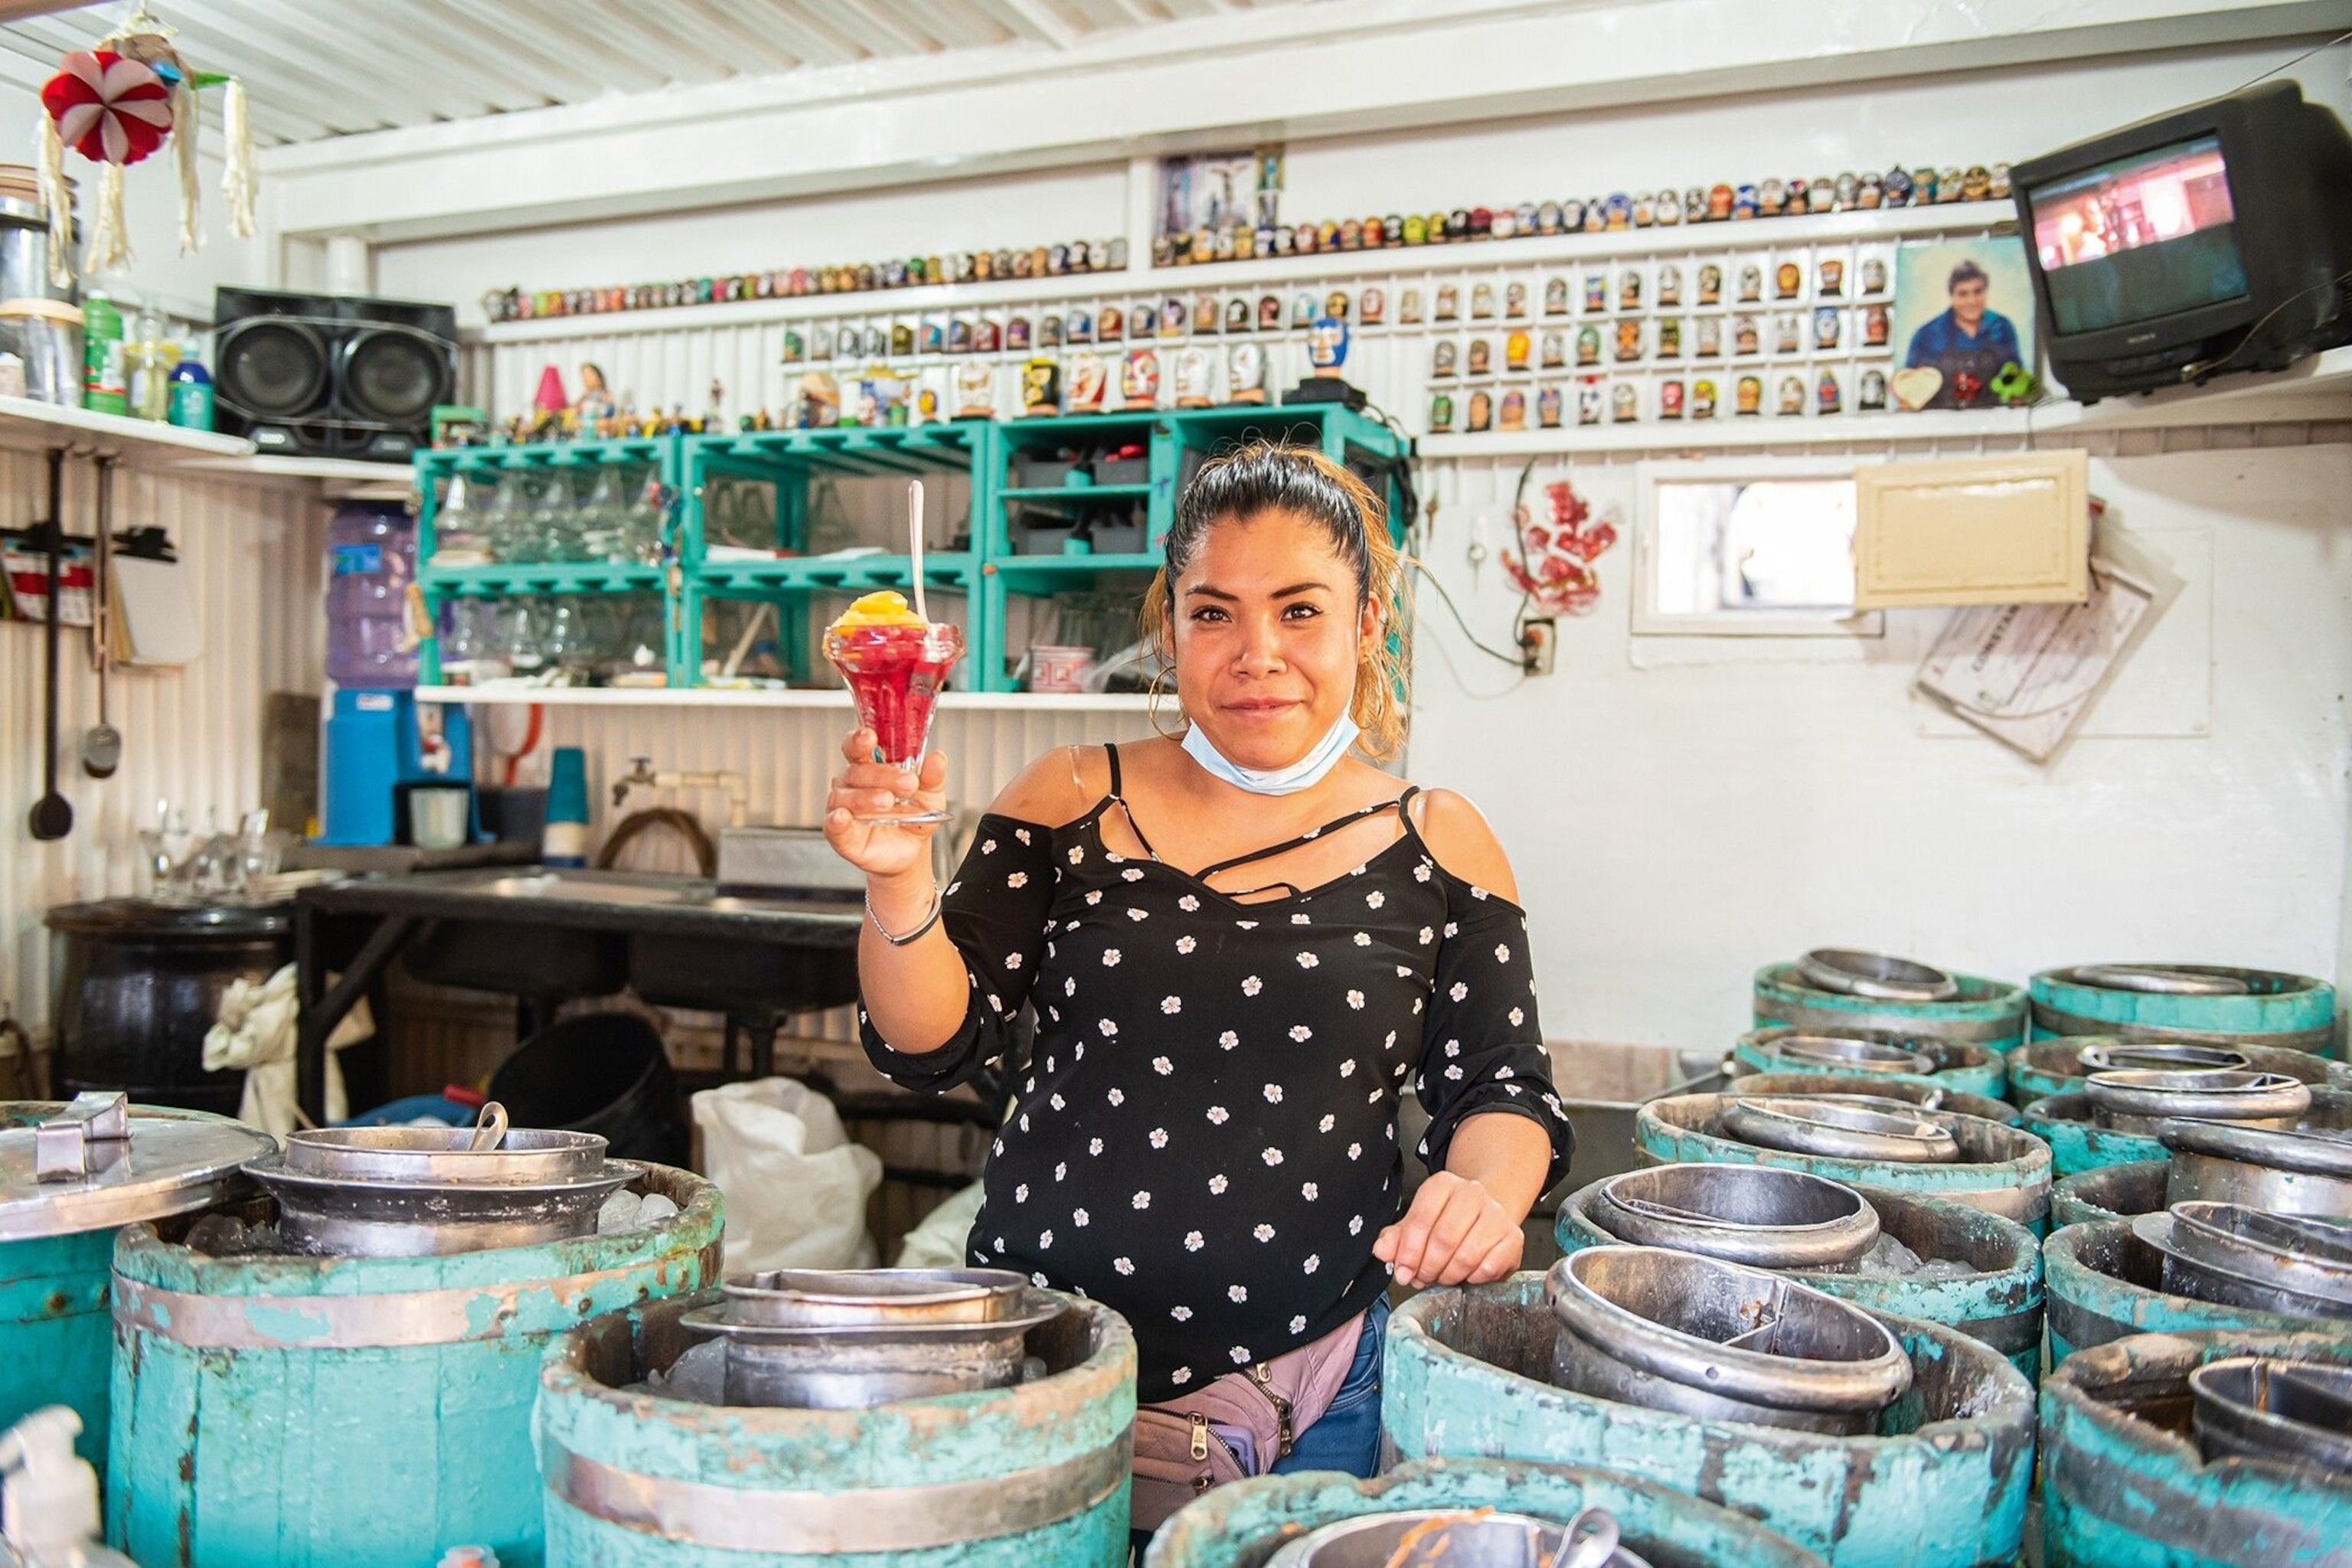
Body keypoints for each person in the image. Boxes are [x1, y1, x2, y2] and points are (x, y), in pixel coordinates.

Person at [828, 443, 1572, 1517]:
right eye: (1214, 613)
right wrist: (900, 889)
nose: (1256, 654)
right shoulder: (1067, 795)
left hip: (1316, 1394)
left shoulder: (1441, 842)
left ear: (1366, 627)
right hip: (1041, 1373)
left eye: (1301, 611)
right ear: (1170, 627)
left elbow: (1506, 1089)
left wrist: (1484, 1194)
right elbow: (930, 1045)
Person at [1903, 259, 2024, 408]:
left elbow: (2017, 383)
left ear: (1986, 291)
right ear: (1951, 296)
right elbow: (1908, 394)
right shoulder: (1927, 335)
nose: (1972, 300)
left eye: (1978, 291)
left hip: (1992, 422)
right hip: (1940, 424)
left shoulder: (2002, 327)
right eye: (1963, 294)